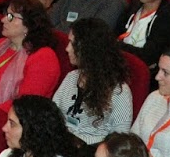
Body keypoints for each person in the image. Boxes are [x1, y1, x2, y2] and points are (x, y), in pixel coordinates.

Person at [53, 16, 134, 145]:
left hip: (91, 151)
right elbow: (53, 115)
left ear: (88, 48)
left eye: (72, 43)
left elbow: (120, 140)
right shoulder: (71, 77)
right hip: (61, 144)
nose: (67, 48)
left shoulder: (118, 91)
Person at [0, 0, 60, 108]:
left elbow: (25, 105)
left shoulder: (43, 58)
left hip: (8, 116)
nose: (3, 20)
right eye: (6, 14)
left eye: (11, 17)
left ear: (28, 25)